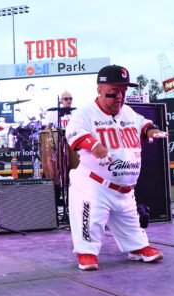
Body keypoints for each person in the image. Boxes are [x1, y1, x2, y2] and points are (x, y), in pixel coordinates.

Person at [65, 65, 168, 270]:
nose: (120, 96)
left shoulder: (127, 112)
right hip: (94, 185)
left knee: (130, 223)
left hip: (124, 188)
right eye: (115, 91)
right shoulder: (85, 113)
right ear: (100, 89)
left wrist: (152, 130)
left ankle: (137, 248)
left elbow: (142, 123)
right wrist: (94, 146)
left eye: (123, 90)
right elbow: (74, 132)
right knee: (90, 221)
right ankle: (86, 253)